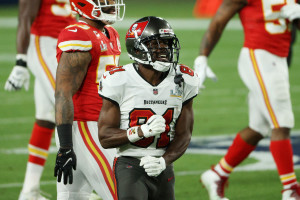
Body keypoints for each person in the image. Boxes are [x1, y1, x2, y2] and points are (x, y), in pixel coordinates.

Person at [193, 0, 300, 199]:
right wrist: (203, 57)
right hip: (259, 56)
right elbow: (219, 20)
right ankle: (291, 189)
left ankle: (217, 174)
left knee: (259, 127)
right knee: (282, 122)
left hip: (280, 58)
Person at [98, 16, 199, 200]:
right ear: (136, 47)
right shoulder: (119, 80)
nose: (163, 49)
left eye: (166, 43)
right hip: (129, 162)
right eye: (155, 44)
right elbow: (105, 137)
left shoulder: (184, 79)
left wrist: (163, 161)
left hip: (163, 165)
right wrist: (142, 131)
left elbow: (184, 134)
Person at [54, 0, 125, 199]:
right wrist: (65, 147)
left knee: (72, 196)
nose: (112, 4)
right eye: (105, 1)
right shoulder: (78, 35)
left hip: (103, 123)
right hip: (85, 126)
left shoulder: (110, 32)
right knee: (122, 194)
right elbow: (62, 93)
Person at [4, 0, 75, 199]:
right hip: (45, 42)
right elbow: (25, 15)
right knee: (71, 111)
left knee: (46, 117)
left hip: (65, 43)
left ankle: (29, 190)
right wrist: (21, 61)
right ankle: (75, 189)